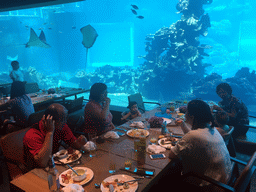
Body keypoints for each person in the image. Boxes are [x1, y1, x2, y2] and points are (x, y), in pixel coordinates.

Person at [169, 100, 232, 190]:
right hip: (222, 180)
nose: (185, 114)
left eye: (187, 112)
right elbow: (195, 136)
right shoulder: (212, 129)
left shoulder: (193, 136)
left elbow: (172, 155)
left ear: (191, 116)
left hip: (209, 185)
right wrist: (183, 125)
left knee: (171, 171)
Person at [23, 103, 87, 169]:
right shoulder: (32, 135)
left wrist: (80, 143)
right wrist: (50, 132)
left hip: (55, 165)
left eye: (66, 118)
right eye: (62, 120)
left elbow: (73, 144)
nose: (65, 122)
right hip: (35, 171)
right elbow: (43, 163)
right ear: (50, 120)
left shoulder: (61, 125)